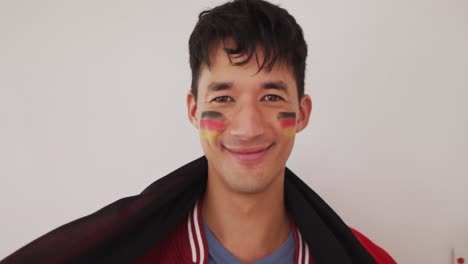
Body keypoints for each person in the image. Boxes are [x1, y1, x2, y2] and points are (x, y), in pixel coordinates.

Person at [1, 0, 396, 263]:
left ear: (303, 112)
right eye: (223, 99)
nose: (247, 128)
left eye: (272, 98)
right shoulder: (130, 255)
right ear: (193, 110)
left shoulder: (368, 258)